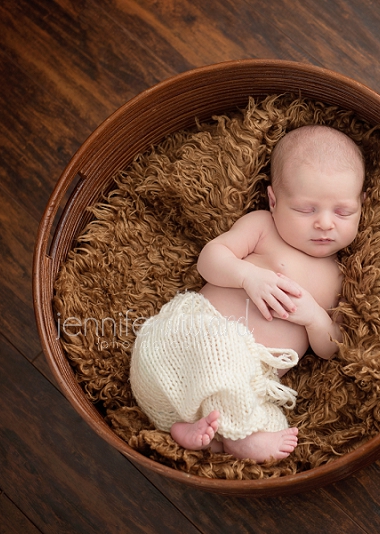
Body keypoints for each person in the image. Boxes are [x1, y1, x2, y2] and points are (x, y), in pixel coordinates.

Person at [130, 125, 365, 463]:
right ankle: (233, 434)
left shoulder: (343, 276)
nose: (325, 223)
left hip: (252, 378)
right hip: (193, 339)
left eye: (343, 212)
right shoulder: (262, 227)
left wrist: (315, 316)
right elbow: (209, 261)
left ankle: (197, 432)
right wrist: (247, 277)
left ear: (361, 205)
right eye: (305, 209)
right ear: (273, 201)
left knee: (270, 416)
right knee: (223, 348)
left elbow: (331, 346)